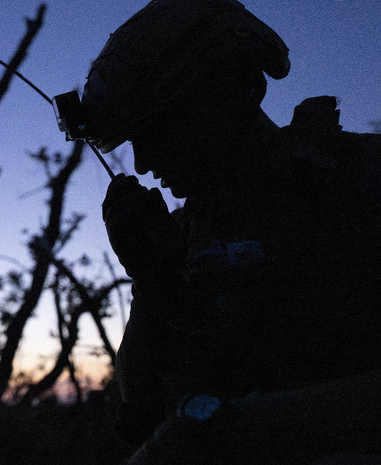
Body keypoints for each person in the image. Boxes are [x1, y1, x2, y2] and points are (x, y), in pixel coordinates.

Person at [78, 0, 381, 463]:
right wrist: (152, 281)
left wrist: (228, 430)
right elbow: (140, 417)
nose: (143, 163)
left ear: (231, 92)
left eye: (157, 131)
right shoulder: (182, 237)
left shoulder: (364, 178)